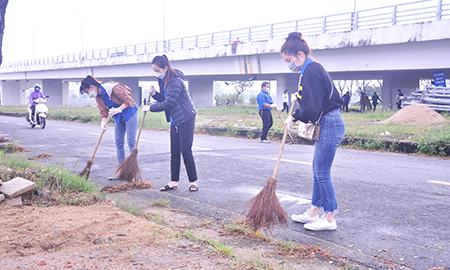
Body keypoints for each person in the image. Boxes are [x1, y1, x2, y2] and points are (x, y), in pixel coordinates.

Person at [282, 32, 345, 231]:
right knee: (318, 170)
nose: (288, 64)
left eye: (289, 60)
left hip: (329, 123)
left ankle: (329, 217)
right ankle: (313, 211)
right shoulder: (309, 70)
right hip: (327, 123)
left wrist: (294, 116)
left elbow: (313, 108)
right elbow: (312, 98)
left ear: (300, 55)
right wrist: (298, 97)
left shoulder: (312, 71)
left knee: (321, 172)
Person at [142, 55, 199, 192]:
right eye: (154, 70)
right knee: (174, 152)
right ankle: (173, 182)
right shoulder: (163, 79)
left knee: (185, 150)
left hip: (186, 118)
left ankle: (193, 182)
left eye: (157, 70)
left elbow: (169, 102)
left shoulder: (175, 80)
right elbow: (164, 98)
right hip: (175, 119)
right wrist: (155, 93)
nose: (156, 73)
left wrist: (151, 107)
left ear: (165, 68)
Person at [79, 75, 138, 179]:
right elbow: (103, 111)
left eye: (87, 91)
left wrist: (119, 108)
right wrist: (103, 121)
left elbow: (130, 101)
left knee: (131, 142)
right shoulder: (98, 97)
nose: (88, 94)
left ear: (92, 87)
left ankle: (132, 172)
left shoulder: (114, 88)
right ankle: (121, 171)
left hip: (130, 113)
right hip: (118, 116)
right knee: (119, 143)